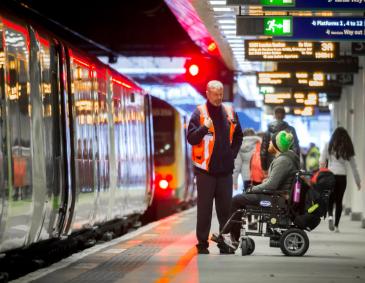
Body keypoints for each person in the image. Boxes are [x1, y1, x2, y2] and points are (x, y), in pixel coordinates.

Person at [219, 130, 299, 251]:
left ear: (277, 146)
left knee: (236, 200)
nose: (269, 144)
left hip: (275, 200)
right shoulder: (286, 158)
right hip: (277, 197)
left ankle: (232, 239)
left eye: (272, 142)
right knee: (239, 201)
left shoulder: (283, 161)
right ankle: (233, 238)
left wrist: (252, 189)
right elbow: (272, 182)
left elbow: (272, 185)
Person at [187, 80, 243, 254]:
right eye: (215, 94)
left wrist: (231, 154)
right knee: (204, 209)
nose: (219, 97)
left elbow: (239, 135)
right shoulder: (199, 113)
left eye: (221, 94)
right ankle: (202, 244)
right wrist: (204, 127)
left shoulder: (229, 112)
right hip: (205, 171)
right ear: (207, 93)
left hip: (225, 171)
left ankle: (224, 242)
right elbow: (191, 138)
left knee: (225, 210)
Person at [320, 127, 362, 233]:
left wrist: (322, 172)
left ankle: (330, 216)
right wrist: (358, 181)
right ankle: (337, 226)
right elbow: (354, 166)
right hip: (342, 176)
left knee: (330, 198)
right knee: (339, 201)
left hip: (330, 174)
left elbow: (321, 160)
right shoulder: (347, 148)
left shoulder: (328, 145)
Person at [261, 106, 299, 176]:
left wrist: (264, 168)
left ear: (274, 115)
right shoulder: (291, 130)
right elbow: (295, 149)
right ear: (284, 116)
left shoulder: (268, 132)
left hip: (271, 164)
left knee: (272, 184)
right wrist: (297, 166)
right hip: (288, 163)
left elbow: (263, 152)